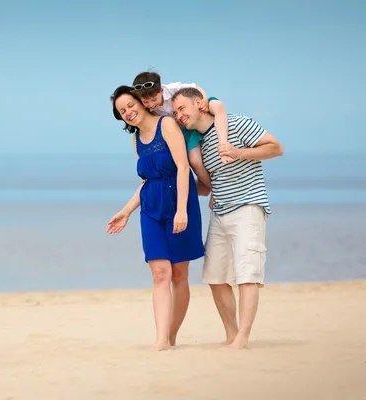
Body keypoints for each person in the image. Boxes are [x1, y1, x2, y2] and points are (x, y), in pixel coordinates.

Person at [171, 87, 284, 349]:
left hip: (248, 207)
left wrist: (239, 152)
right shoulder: (197, 142)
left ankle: (243, 337)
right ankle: (232, 334)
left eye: (182, 109)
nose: (179, 115)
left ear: (199, 103)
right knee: (215, 277)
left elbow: (276, 148)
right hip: (219, 211)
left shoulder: (236, 123)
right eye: (175, 112)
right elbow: (207, 185)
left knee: (247, 274)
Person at [106, 85, 205, 351]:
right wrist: (126, 211)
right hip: (150, 208)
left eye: (130, 105)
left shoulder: (167, 125)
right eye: (121, 111)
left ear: (140, 101)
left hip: (179, 204)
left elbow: (183, 167)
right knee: (160, 274)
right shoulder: (135, 139)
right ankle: (161, 339)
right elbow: (148, 180)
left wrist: (182, 209)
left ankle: (171, 336)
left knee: (178, 276)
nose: (128, 112)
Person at [131, 71, 234, 191]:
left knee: (216, 105)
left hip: (197, 112)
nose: (151, 105)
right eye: (146, 102)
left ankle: (223, 143)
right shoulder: (146, 109)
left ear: (161, 91)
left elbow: (196, 88)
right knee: (195, 162)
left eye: (154, 99)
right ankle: (213, 190)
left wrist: (204, 99)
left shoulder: (172, 89)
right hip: (186, 131)